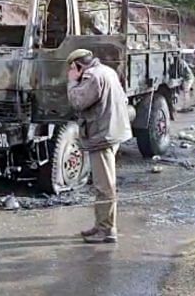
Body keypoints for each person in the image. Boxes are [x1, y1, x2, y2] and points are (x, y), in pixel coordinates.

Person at [66, 49, 132, 244]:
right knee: (104, 183)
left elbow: (78, 101)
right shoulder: (106, 71)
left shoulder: (92, 76)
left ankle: (106, 230)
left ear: (78, 65)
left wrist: (72, 81)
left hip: (103, 136)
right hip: (112, 131)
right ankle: (102, 224)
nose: (71, 71)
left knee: (104, 186)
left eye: (72, 68)